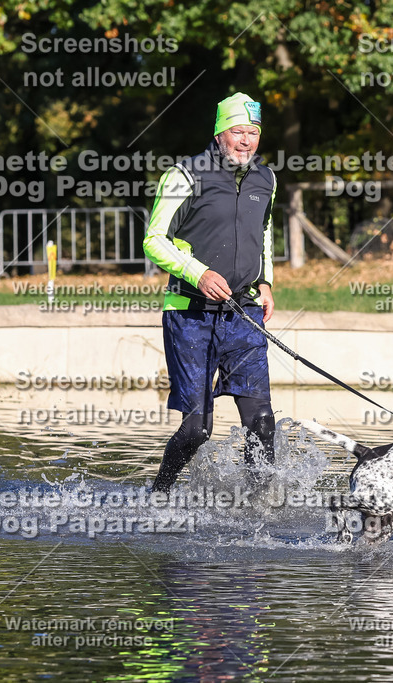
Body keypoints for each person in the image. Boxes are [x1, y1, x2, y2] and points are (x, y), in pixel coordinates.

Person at [143, 92, 278, 492]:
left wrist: (265, 280)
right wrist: (197, 273)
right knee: (198, 429)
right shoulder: (185, 175)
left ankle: (262, 513)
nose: (246, 140)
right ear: (219, 133)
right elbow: (154, 239)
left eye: (253, 132)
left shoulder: (266, 179)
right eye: (237, 131)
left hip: (244, 313)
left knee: (263, 425)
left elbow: (264, 233)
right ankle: (160, 492)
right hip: (190, 315)